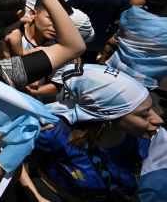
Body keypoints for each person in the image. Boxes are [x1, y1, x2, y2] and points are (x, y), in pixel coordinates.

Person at [32, 63, 163, 201]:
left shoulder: (143, 137)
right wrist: (35, 195)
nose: (158, 119)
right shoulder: (55, 133)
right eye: (143, 115)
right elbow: (15, 158)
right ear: (108, 117)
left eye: (152, 107)